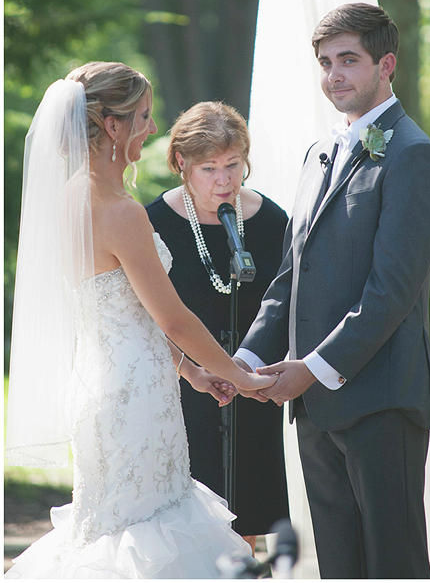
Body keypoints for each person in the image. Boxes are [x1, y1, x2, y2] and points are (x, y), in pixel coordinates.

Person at [5, 63, 275, 578]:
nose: (152, 128)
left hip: (104, 390)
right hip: (136, 400)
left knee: (108, 528)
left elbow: (124, 315)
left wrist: (193, 373)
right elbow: (172, 317)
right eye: (145, 116)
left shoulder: (68, 200)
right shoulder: (120, 211)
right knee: (146, 533)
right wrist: (240, 376)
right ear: (113, 126)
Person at [233, 3, 430, 579]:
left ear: (387, 65)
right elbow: (289, 277)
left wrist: (314, 367)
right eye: (326, 62)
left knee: (394, 561)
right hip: (314, 409)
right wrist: (244, 362)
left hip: (379, 398)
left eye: (348, 60)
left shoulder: (411, 155)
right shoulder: (318, 153)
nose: (334, 75)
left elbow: (392, 291)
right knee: (339, 565)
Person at [145, 101, 290, 552]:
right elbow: (147, 314)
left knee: (246, 520)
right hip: (184, 387)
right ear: (181, 163)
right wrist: (192, 366)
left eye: (233, 165)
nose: (224, 180)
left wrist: (250, 369)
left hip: (253, 385)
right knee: (185, 524)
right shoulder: (155, 222)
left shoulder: (272, 221)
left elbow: (287, 301)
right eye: (209, 168)